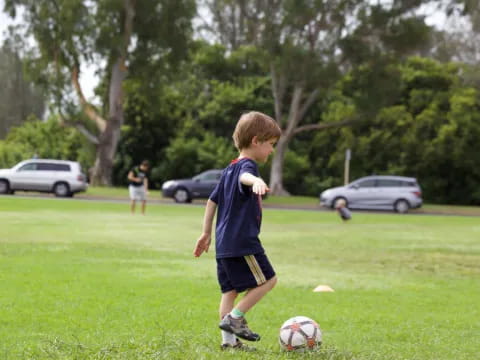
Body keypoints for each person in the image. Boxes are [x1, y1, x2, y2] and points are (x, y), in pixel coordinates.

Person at [193, 111, 281, 351]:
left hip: (223, 244)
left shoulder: (227, 170)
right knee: (269, 280)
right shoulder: (246, 166)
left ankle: (229, 343)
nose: (271, 150)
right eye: (270, 144)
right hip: (242, 242)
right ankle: (235, 318)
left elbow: (212, 201)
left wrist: (206, 233)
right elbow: (246, 176)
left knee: (229, 291)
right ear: (256, 141)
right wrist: (256, 182)